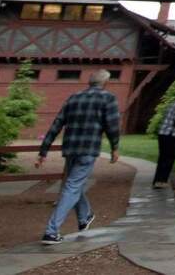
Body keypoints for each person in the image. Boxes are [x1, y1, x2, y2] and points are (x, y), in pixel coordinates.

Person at [36, 69, 120, 245]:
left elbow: (57, 123)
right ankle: (51, 231)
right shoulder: (108, 98)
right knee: (73, 187)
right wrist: (115, 148)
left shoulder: (73, 98)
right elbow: (112, 125)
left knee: (72, 185)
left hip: (70, 149)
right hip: (88, 149)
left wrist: (43, 151)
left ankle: (85, 216)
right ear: (106, 83)